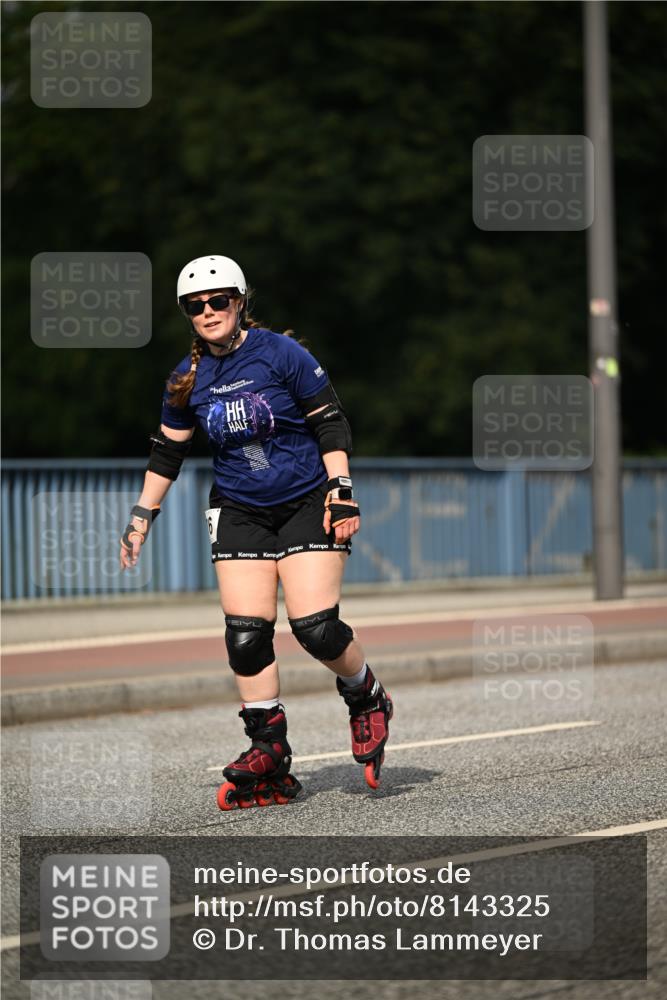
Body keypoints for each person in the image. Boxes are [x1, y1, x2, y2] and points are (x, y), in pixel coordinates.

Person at [120, 255, 393, 809]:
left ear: (240, 301)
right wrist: (141, 516)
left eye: (218, 300)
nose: (207, 312)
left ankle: (365, 695)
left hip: (306, 498)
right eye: (195, 306)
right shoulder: (186, 377)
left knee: (315, 628)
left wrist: (341, 488)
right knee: (245, 635)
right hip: (239, 507)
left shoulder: (280, 354)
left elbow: (329, 420)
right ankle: (267, 746)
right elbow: (169, 450)